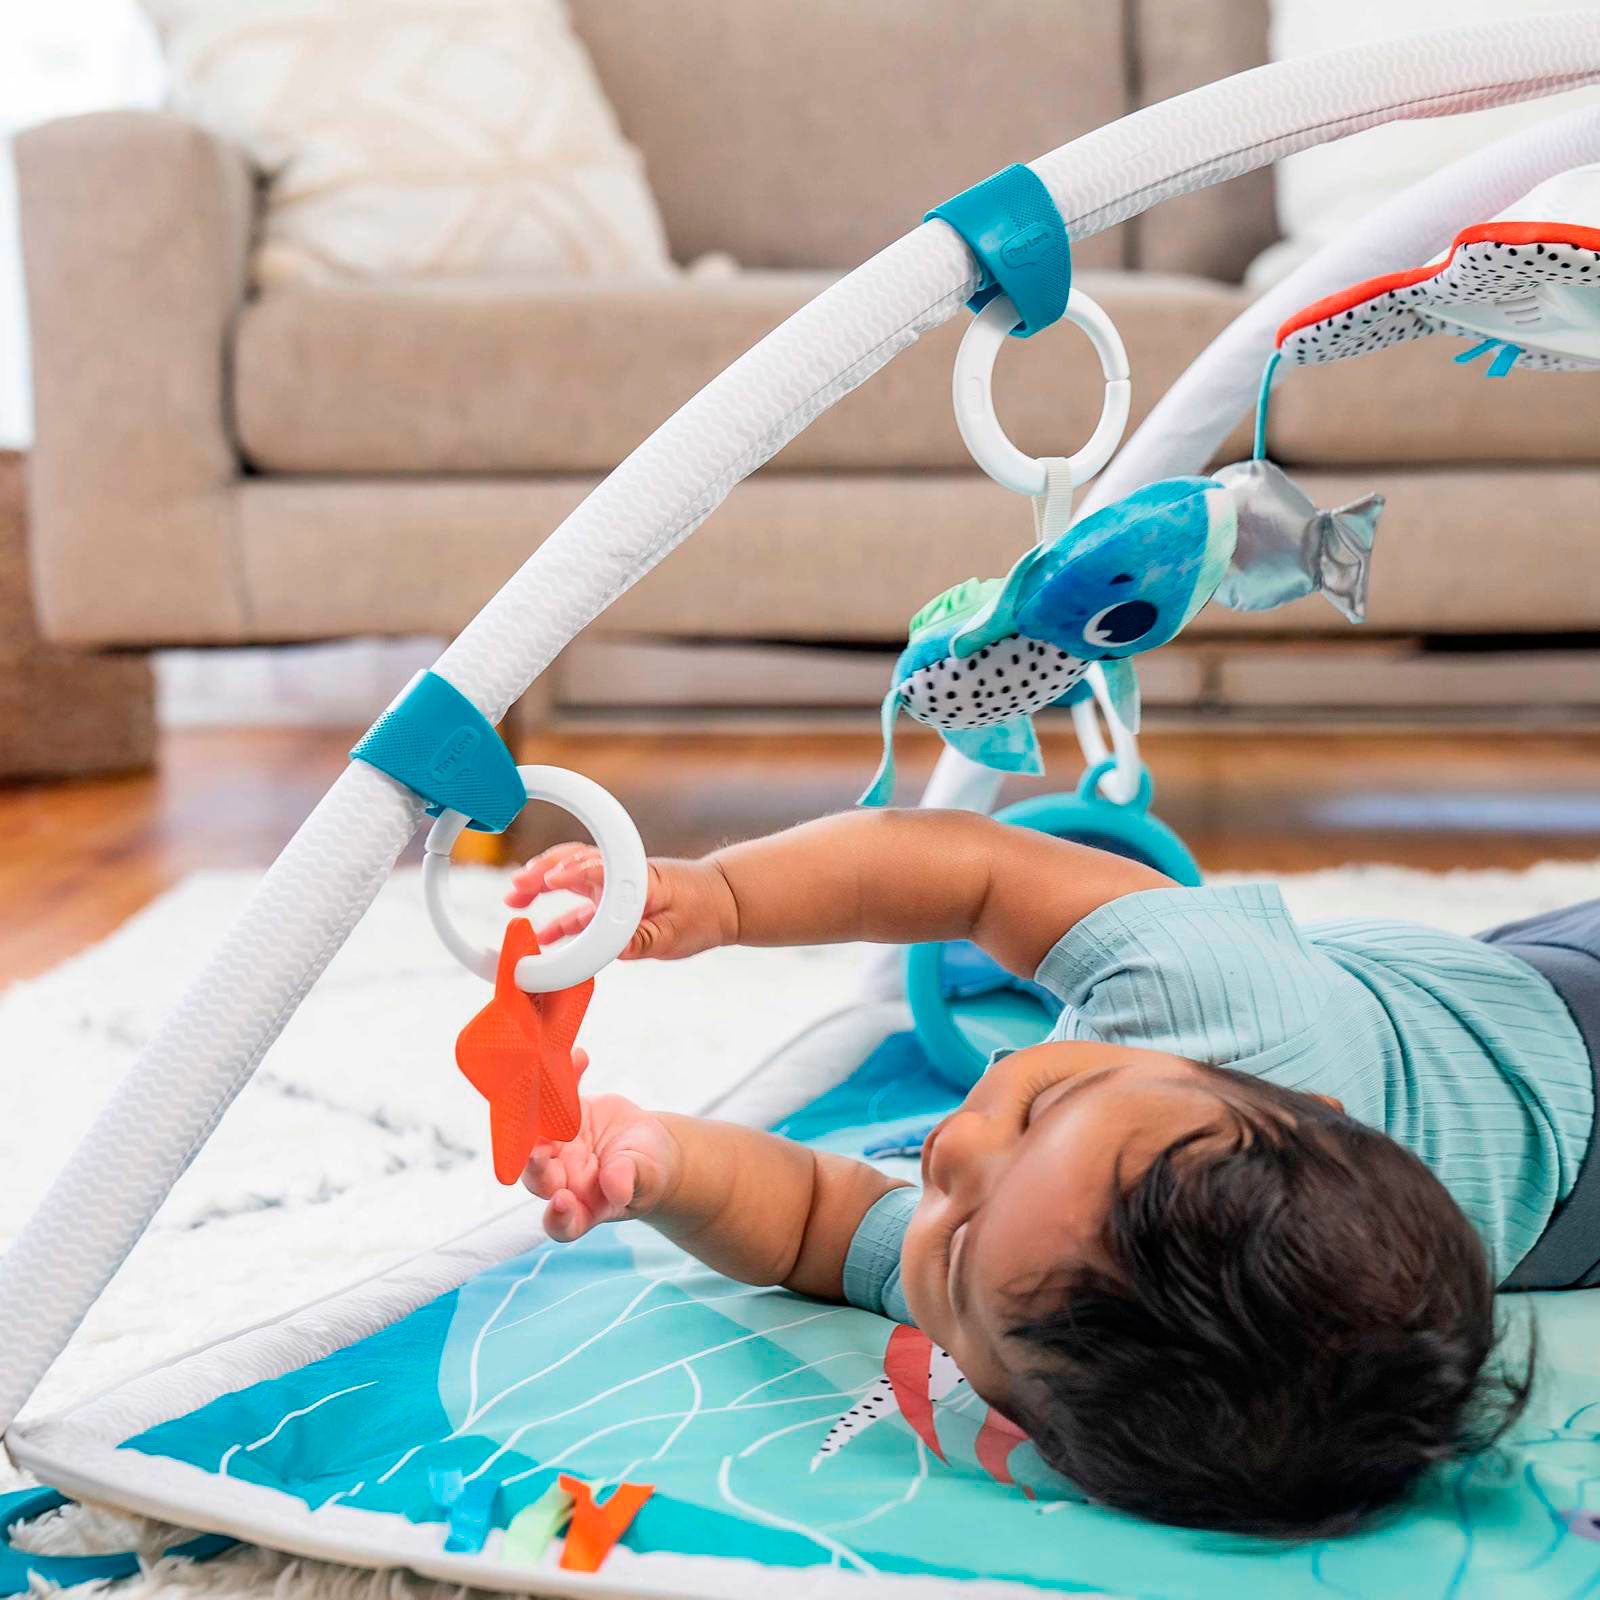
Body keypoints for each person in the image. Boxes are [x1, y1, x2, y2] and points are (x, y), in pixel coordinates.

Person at [503, 809, 1599, 1536]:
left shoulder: (1025, 1298)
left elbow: (812, 1226)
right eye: (1040, 1114)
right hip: (1558, 1057)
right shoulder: (1203, 1002)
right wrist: (722, 897)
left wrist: (666, 1165)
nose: (949, 1151)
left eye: (953, 1236)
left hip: (1547, 1109)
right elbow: (971, 868)